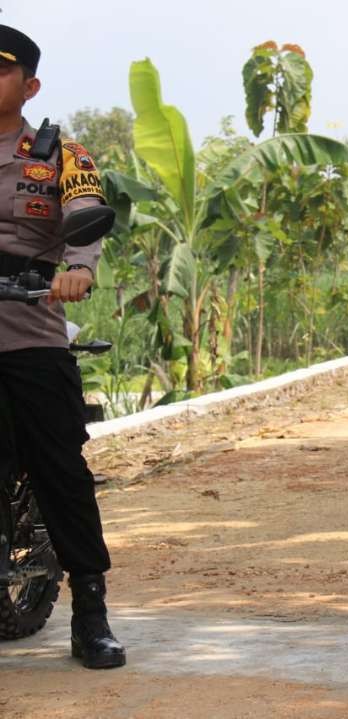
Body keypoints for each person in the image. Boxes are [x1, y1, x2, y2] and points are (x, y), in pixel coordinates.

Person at [0, 25, 125, 668]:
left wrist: (77, 267)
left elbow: (86, 212)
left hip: (27, 327)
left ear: (29, 84)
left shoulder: (58, 154)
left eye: (0, 71)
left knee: (61, 472)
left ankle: (90, 611)